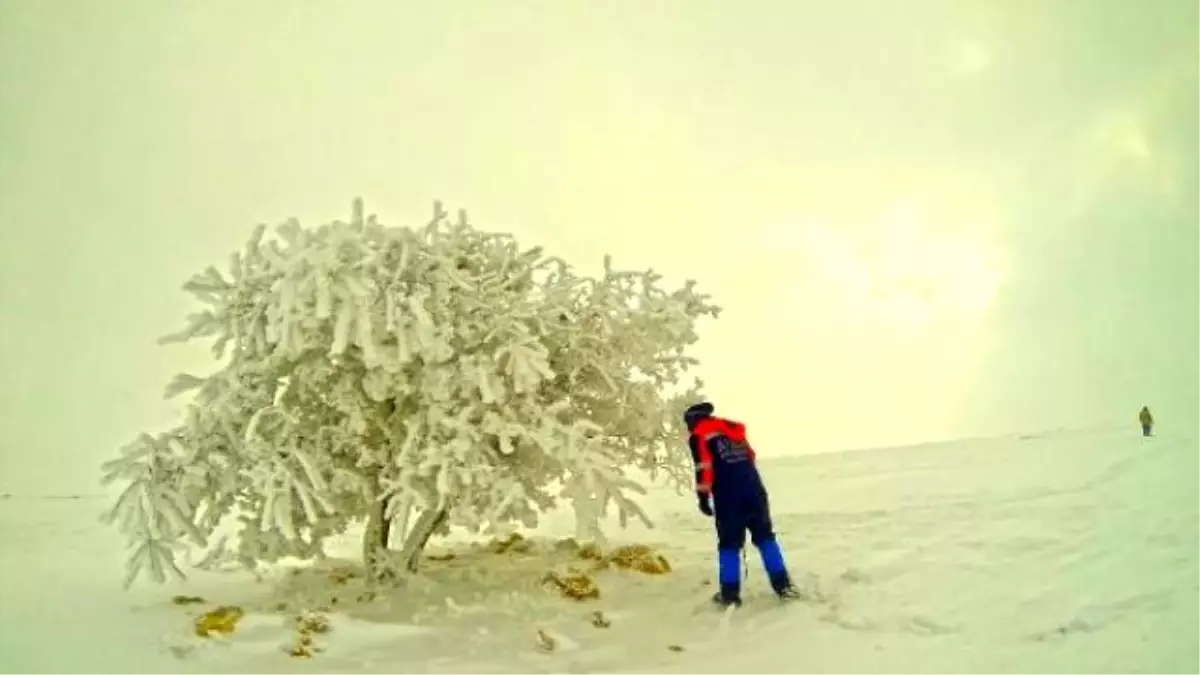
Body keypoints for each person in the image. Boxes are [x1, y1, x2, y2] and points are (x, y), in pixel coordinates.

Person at [683, 401, 799, 606]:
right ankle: (784, 586)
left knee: (729, 545)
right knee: (765, 538)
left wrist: (703, 497)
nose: (688, 428)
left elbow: (704, 467)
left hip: (728, 496)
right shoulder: (732, 432)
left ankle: (729, 595)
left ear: (695, 420)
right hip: (755, 491)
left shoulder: (700, 435)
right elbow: (750, 458)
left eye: (688, 423)